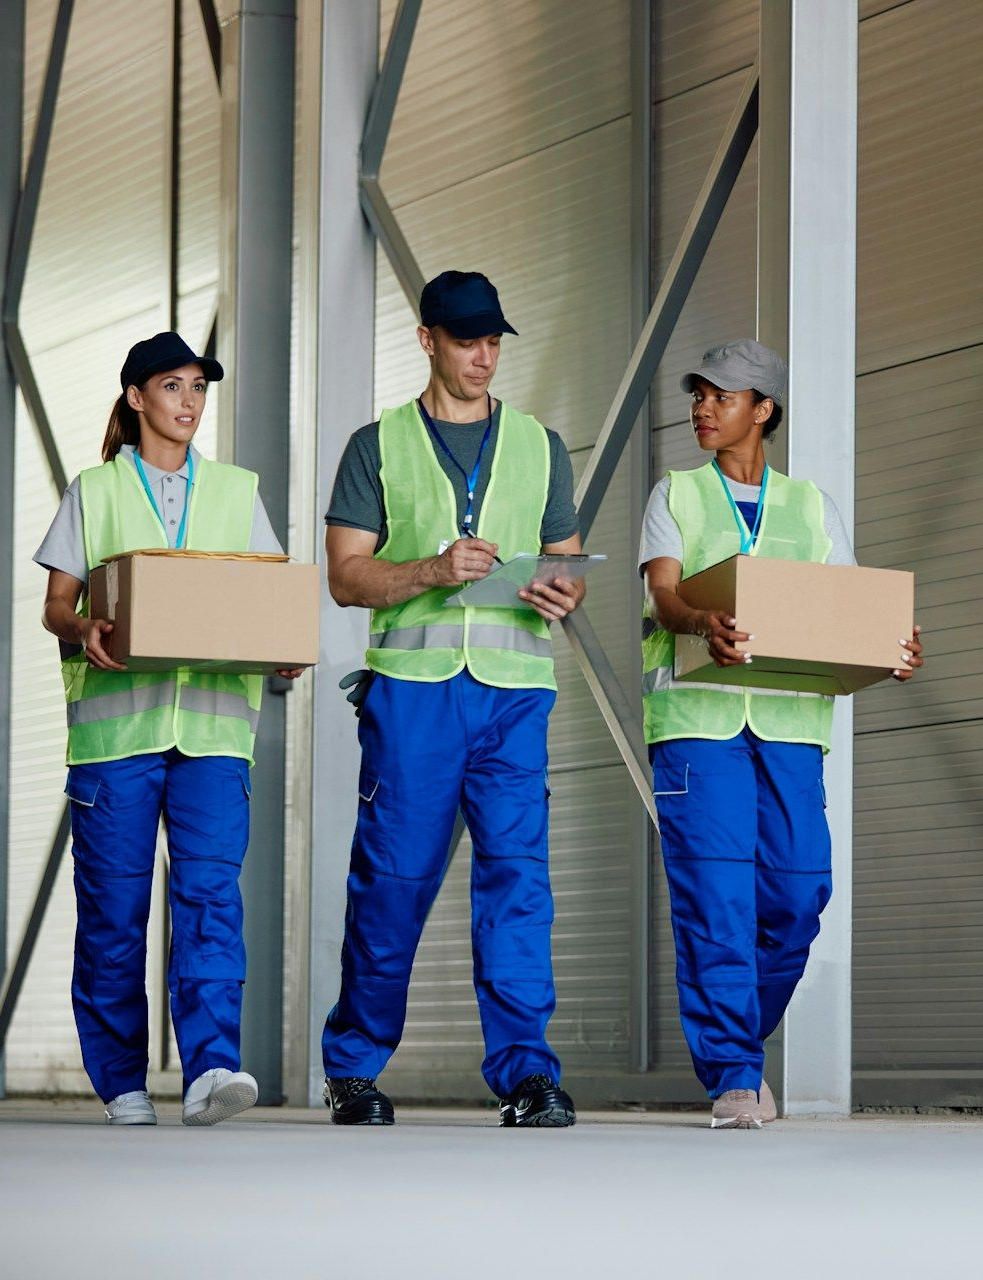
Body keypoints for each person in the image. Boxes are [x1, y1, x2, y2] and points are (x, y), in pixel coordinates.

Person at [639, 339, 923, 1129]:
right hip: (698, 727)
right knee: (716, 902)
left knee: (798, 896)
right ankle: (732, 1073)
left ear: (761, 410)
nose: (701, 407)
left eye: (720, 396)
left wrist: (891, 645)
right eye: (698, 393)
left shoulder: (809, 506)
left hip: (791, 727)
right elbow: (664, 596)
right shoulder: (677, 495)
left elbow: (847, 610)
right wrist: (701, 621)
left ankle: (737, 1030)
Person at [321, 270, 584, 1127]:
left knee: (518, 881)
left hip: (513, 697)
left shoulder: (540, 446)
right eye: (467, 340)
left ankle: (526, 1076)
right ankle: (353, 1068)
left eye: (494, 341)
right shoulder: (376, 446)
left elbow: (566, 561)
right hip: (414, 700)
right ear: (427, 339)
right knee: (392, 882)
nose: (484, 356)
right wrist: (432, 570)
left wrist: (560, 592)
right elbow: (346, 577)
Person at [34, 331, 303, 1126]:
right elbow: (56, 602)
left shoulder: (235, 490)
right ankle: (121, 1083)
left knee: (211, 898)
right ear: (136, 397)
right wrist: (79, 627)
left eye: (198, 388)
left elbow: (267, 603)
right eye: (173, 386)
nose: (189, 401)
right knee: (113, 913)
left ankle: (211, 1067)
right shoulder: (96, 489)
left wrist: (283, 654)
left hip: (214, 738)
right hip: (116, 743)